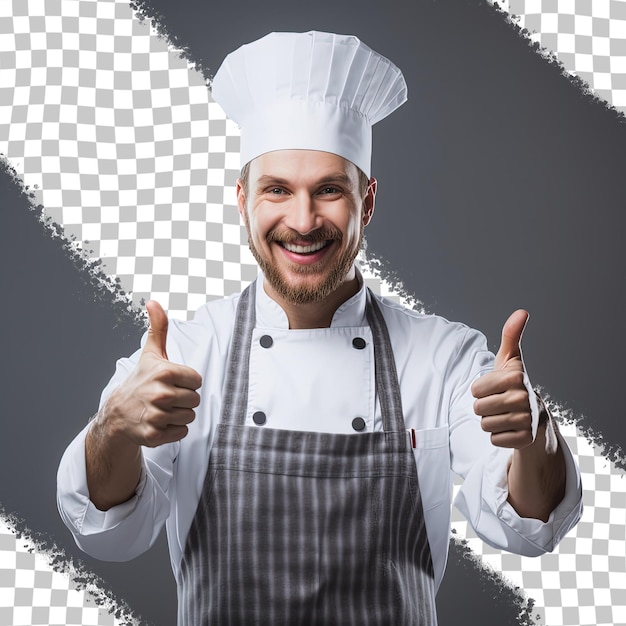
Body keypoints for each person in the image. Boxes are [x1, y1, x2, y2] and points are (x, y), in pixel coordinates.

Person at [57, 30, 583, 625]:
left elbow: (529, 527)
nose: (302, 222)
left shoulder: (446, 357)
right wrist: (115, 430)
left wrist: (533, 434)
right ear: (242, 199)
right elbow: (107, 530)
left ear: (368, 201)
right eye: (277, 190)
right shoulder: (183, 350)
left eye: (329, 191)